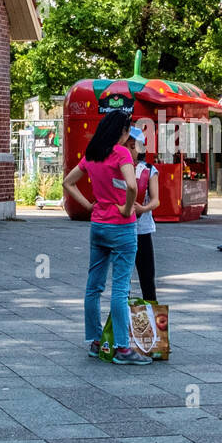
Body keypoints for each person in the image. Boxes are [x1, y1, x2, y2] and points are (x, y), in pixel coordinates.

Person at [63, 109, 151, 366]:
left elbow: (68, 182)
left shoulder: (92, 153)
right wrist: (126, 207)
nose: (128, 137)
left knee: (94, 286)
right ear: (121, 132)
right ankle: (123, 348)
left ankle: (95, 341)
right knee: (120, 287)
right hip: (122, 227)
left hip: (98, 224)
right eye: (128, 132)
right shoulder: (121, 153)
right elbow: (132, 186)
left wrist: (89, 206)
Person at [130, 125, 160, 302]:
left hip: (142, 230)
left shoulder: (149, 170)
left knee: (147, 277)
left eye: (134, 146)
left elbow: (156, 199)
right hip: (123, 229)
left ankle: (153, 321)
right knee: (123, 280)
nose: (130, 150)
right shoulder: (118, 167)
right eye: (127, 146)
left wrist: (143, 209)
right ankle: (122, 319)